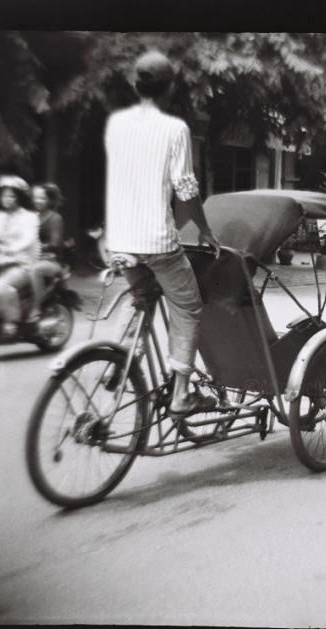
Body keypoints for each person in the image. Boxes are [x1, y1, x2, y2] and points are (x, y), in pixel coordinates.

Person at [104, 49, 221, 419]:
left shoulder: (116, 125)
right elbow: (185, 190)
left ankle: (119, 363)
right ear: (169, 89)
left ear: (135, 86)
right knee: (188, 307)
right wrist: (204, 231)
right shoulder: (175, 129)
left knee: (142, 297)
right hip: (157, 243)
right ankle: (182, 395)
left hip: (120, 240)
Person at [0, 175, 41, 334]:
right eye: (4, 195)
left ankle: (11, 321)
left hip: (21, 263)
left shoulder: (29, 217)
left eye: (11, 195)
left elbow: (28, 240)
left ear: (18, 197)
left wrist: (8, 250)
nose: (7, 199)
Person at [31, 183, 66, 316]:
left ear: (49, 200)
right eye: (36, 198)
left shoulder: (55, 218)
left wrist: (39, 246)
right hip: (31, 255)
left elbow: (55, 243)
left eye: (42, 198)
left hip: (51, 260)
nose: (38, 201)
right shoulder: (31, 216)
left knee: (35, 269)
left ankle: (37, 307)